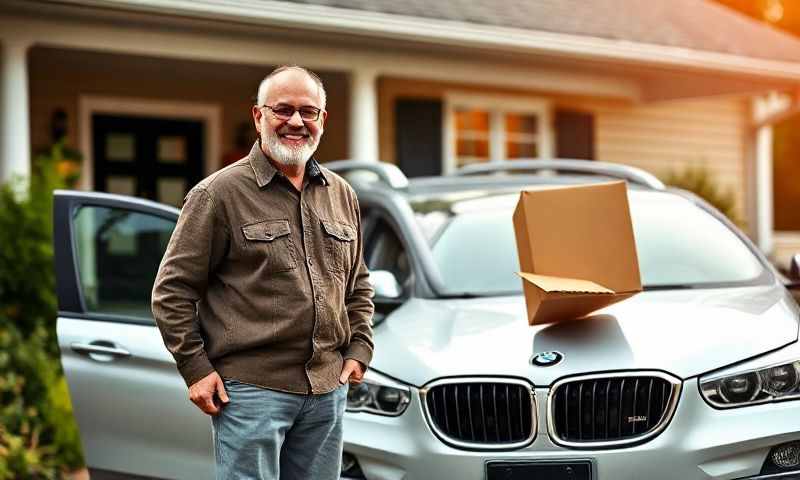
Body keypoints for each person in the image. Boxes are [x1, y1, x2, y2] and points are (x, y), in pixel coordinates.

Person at [151, 65, 375, 480]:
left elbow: (357, 283)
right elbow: (172, 292)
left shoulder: (341, 194)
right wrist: (196, 369)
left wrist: (359, 349)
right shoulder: (217, 194)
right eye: (283, 109)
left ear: (323, 120)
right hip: (251, 393)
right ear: (259, 117)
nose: (295, 121)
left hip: (327, 391)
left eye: (308, 112)